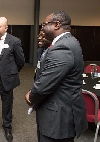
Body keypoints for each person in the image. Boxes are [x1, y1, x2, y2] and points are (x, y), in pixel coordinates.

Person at [25, 11, 88, 142]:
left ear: (57, 25)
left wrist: (31, 96)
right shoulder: (70, 41)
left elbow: (45, 85)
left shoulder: (62, 47)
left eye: (44, 24)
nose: (42, 28)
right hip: (62, 113)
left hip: (58, 120)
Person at [0, 17, 25, 142]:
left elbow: (20, 61)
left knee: (7, 105)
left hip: (6, 79)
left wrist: (10, 72)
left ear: (6, 28)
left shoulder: (14, 41)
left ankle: (7, 128)